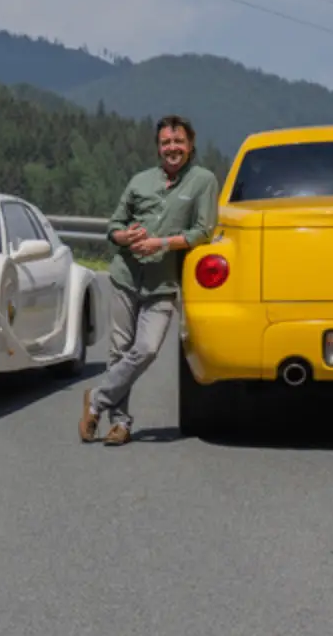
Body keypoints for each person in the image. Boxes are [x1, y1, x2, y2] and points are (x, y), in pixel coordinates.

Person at [78, 114, 219, 446]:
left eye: (178, 142)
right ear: (159, 147)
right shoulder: (140, 181)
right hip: (126, 276)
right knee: (118, 351)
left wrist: (162, 243)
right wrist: (125, 236)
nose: (172, 148)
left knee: (146, 349)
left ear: (190, 144)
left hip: (164, 283)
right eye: (166, 142)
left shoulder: (203, 181)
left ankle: (96, 398)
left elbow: (203, 231)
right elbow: (113, 226)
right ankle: (120, 423)